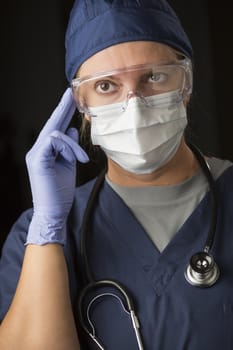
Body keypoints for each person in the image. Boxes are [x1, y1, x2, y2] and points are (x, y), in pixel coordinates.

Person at [0, 0, 233, 349]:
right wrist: (47, 233)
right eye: (106, 86)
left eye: (153, 76)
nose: (134, 104)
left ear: (185, 84)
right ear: (83, 106)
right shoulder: (36, 236)